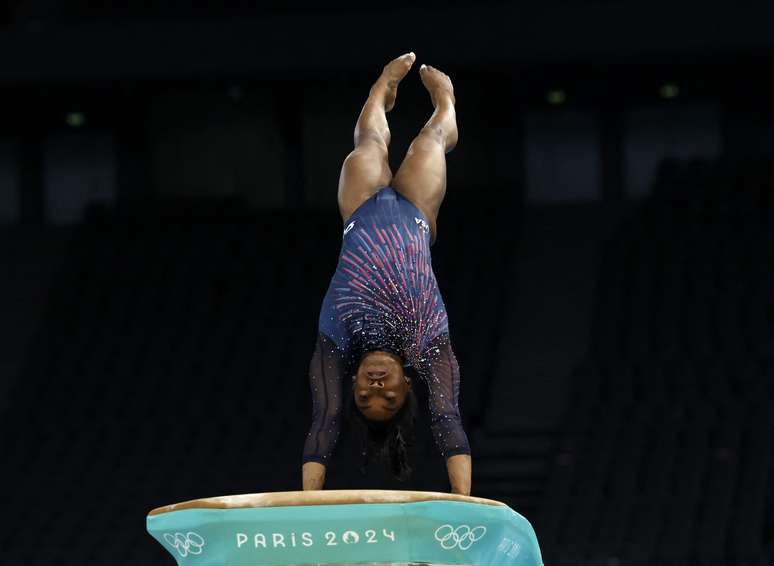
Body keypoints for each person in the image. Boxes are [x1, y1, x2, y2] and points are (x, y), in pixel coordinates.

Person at [301, 52, 471, 495]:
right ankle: (446, 104)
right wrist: (467, 506)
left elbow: (325, 421)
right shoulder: (427, 341)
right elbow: (446, 417)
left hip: (359, 211)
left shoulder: (336, 337)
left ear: (352, 381)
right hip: (416, 212)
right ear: (407, 383)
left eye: (364, 396)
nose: (376, 388)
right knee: (429, 142)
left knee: (367, 150)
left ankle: (381, 90)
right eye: (389, 398)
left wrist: (306, 506)